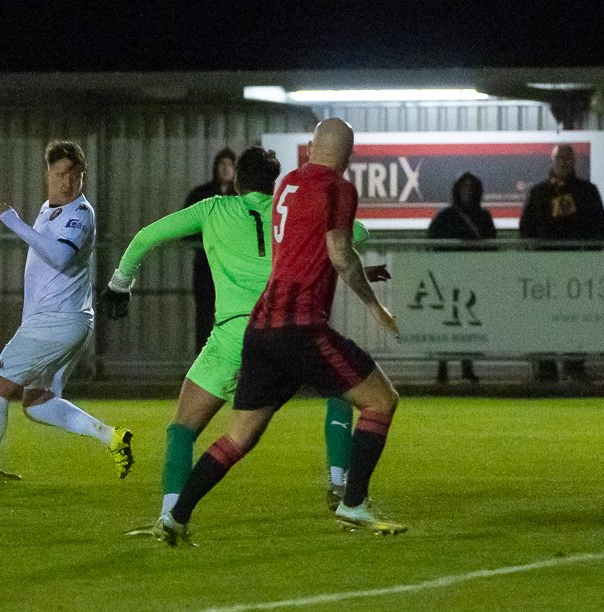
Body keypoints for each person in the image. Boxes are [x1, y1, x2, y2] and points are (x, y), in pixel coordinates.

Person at [102, 147, 389, 530]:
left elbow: (145, 236)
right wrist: (356, 264)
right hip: (284, 326)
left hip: (232, 336)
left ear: (236, 178)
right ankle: (340, 485)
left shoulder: (212, 209)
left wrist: (120, 284)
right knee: (341, 393)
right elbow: (357, 233)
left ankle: (171, 514)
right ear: (273, 181)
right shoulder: (286, 210)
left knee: (184, 427)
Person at [0, 140, 134, 505]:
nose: (69, 181)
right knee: (37, 402)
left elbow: (59, 257)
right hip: (64, 321)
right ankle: (110, 436)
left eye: (76, 174)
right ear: (47, 174)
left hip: (56, 323)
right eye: (61, 174)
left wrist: (13, 221)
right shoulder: (50, 208)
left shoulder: (80, 215)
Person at [519, 145, 604, 382]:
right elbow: (525, 229)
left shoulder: (587, 191)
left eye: (568, 158)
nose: (564, 162)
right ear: (552, 160)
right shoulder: (538, 192)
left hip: (577, 268)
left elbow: (600, 228)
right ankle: (546, 366)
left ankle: (574, 365)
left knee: (576, 318)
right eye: (560, 158)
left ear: (574, 161)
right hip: (544, 269)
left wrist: (586, 255)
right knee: (544, 317)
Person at [425, 171, 496, 384]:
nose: (468, 192)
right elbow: (431, 242)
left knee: (469, 323)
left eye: (471, 189)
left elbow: (491, 243)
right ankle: (442, 367)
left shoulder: (483, 217)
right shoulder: (445, 216)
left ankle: (467, 366)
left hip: (473, 279)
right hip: (447, 279)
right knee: (444, 323)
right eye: (464, 188)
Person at [183, 149, 237, 352]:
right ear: (215, 167)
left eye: (230, 165)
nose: (225, 169)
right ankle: (202, 365)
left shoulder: (241, 198)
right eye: (222, 164)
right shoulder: (200, 195)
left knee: (233, 316)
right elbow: (186, 229)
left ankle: (232, 365)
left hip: (233, 270)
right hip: (206, 267)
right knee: (204, 315)